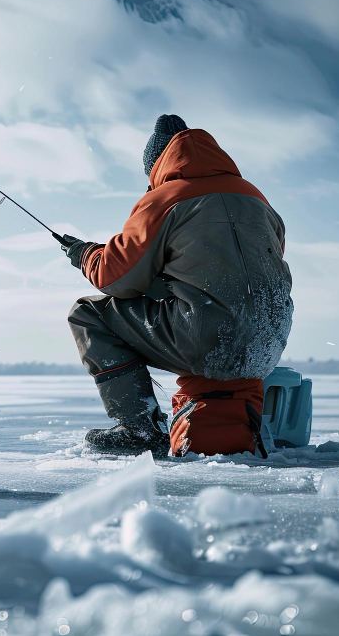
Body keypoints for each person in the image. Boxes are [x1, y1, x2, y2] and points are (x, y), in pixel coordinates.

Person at [61, 115, 293, 457]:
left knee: (87, 314)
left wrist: (85, 254)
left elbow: (115, 277)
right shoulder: (255, 197)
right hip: (269, 342)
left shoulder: (165, 198)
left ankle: (139, 428)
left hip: (206, 336)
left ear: (157, 164)